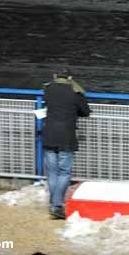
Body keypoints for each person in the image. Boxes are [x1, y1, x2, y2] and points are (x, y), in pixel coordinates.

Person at [42, 68, 91, 220]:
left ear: (55, 76)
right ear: (70, 77)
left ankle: (53, 203)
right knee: (64, 172)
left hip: (49, 134)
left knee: (52, 172)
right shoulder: (75, 91)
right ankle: (56, 206)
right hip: (66, 137)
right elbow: (85, 111)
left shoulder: (48, 89)